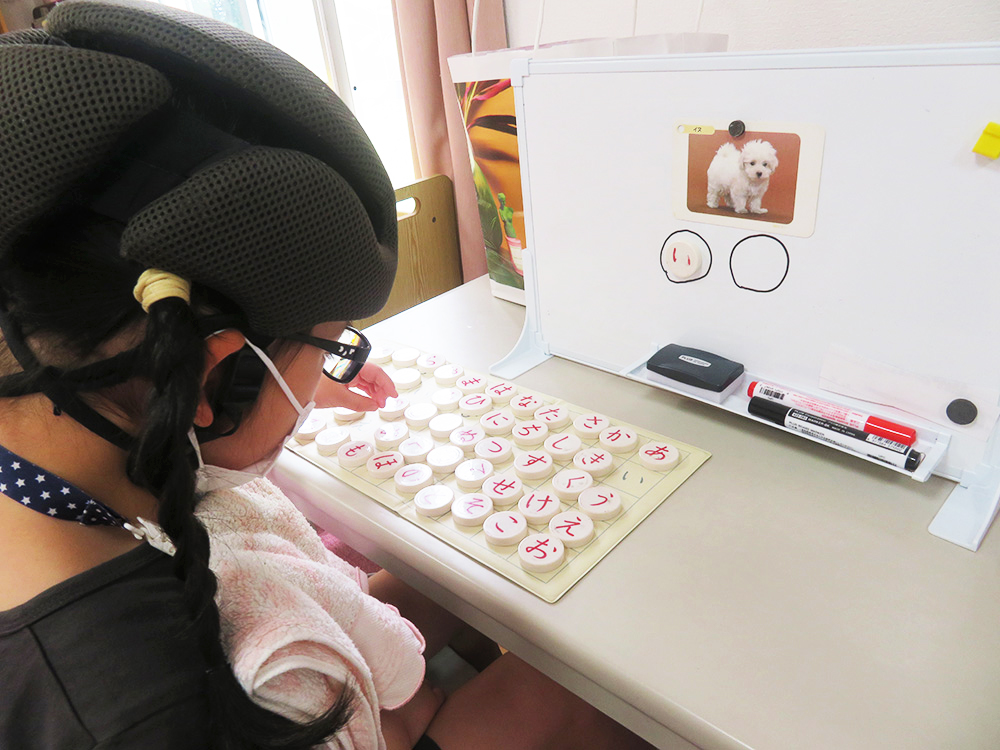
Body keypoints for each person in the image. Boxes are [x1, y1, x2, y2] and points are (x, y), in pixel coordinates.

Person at [0, 2, 655, 748]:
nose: (317, 385)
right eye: (329, 350)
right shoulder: (145, 711)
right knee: (584, 686)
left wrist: (279, 381)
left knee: (477, 590)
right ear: (216, 377)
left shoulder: (57, 453)